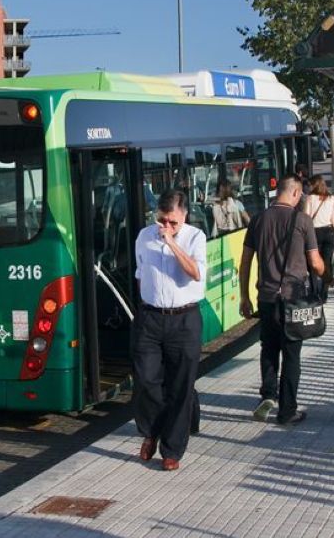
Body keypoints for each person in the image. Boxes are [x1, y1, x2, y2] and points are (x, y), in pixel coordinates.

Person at [239, 175, 324, 426]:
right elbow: (317, 264)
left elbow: (245, 263)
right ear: (296, 193)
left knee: (268, 348)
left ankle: (268, 394)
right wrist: (326, 274)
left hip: (266, 297)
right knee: (291, 353)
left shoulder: (258, 219)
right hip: (293, 298)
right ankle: (287, 411)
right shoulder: (303, 221)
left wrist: (244, 296)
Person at [133, 190, 207, 471]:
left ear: (183, 216)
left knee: (180, 385)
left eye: (173, 222)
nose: (166, 226)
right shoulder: (143, 236)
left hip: (184, 319)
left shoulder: (195, 237)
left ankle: (172, 449)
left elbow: (195, 272)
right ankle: (152, 431)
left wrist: (173, 243)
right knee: (146, 380)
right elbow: (140, 274)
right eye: (162, 220)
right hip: (151, 317)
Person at [301, 175, 334, 303]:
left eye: (310, 184)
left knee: (312, 263)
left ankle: (314, 292)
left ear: (315, 185)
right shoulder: (331, 198)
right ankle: (324, 293)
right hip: (329, 232)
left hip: (314, 233)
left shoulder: (310, 198)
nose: (309, 187)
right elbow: (333, 219)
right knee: (327, 264)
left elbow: (306, 218)